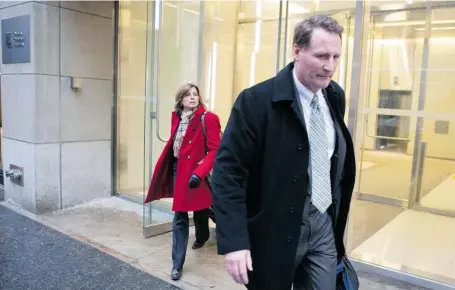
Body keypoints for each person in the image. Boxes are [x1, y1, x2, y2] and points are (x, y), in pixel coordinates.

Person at [211, 15, 357, 290]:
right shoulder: (256, 101)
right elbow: (228, 174)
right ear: (297, 51)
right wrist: (235, 241)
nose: (330, 67)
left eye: (337, 57)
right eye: (322, 56)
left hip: (323, 225)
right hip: (274, 230)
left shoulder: (334, 95)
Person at [144, 83, 221, 281]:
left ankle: (202, 236)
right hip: (179, 171)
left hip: (197, 173)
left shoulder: (208, 118)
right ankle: (177, 264)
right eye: (188, 94)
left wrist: (200, 172)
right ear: (181, 99)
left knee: (201, 208)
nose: (193, 97)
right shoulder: (177, 117)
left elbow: (214, 150)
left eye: (195, 94)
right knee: (180, 215)